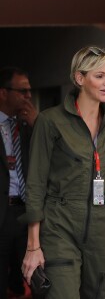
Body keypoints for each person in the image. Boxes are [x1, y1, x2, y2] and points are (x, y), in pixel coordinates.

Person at [21, 46, 105, 299]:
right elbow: (35, 185)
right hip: (60, 224)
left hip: (103, 230)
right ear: (80, 79)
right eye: (99, 75)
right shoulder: (50, 122)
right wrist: (33, 246)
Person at [0, 66, 37, 299]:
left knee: (35, 280)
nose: (28, 97)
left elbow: (54, 160)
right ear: (3, 93)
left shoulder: (29, 126)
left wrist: (38, 126)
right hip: (2, 215)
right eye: (22, 91)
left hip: (27, 215)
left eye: (29, 91)